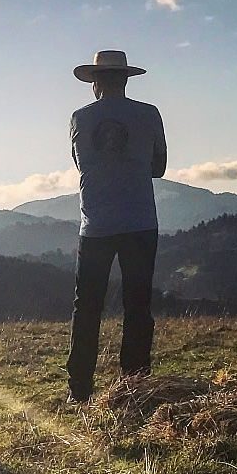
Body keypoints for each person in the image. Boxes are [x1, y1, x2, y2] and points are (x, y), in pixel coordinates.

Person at [66, 50, 167, 403]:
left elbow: (80, 164)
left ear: (95, 83)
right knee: (137, 305)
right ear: (125, 79)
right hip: (140, 222)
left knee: (87, 307)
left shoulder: (80, 118)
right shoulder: (148, 114)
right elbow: (159, 167)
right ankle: (134, 385)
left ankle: (79, 390)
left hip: (95, 225)